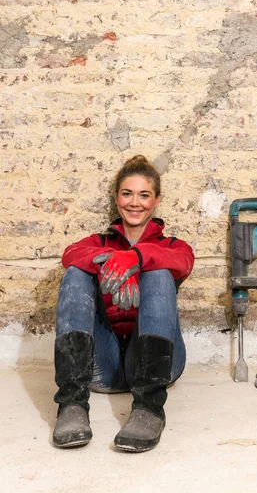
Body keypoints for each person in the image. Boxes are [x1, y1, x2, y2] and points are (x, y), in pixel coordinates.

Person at [52, 155, 195, 452]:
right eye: (127, 193)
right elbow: (70, 254)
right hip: (101, 364)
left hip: (157, 364)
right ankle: (71, 405)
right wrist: (112, 263)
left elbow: (183, 262)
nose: (134, 202)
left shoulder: (171, 246)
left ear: (156, 200)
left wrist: (138, 259)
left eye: (144, 195)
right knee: (76, 272)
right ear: (117, 198)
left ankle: (149, 409)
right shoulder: (100, 242)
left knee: (158, 274)